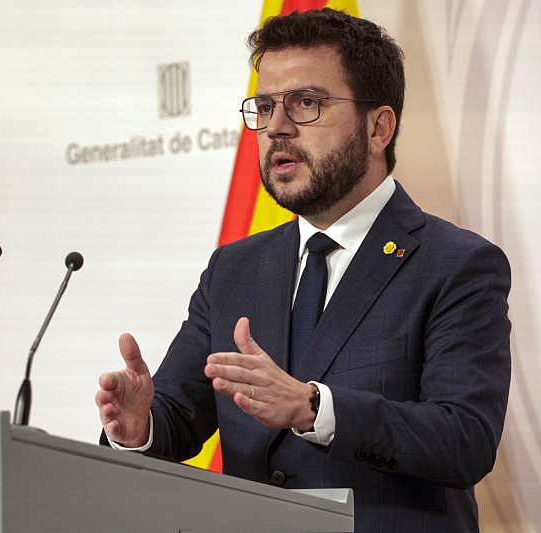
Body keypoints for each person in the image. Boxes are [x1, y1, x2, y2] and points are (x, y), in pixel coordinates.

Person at [95, 8, 511, 533]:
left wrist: (315, 408)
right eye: (265, 106)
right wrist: (139, 428)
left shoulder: (456, 264)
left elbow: (465, 440)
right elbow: (178, 417)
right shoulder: (234, 268)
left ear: (379, 126)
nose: (276, 128)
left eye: (306, 103)